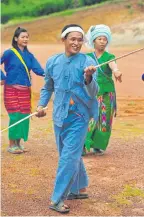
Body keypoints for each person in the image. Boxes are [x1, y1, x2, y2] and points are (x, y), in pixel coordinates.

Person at [36, 24, 99, 213]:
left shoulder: (87, 61)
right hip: (59, 116)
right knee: (68, 154)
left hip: (79, 116)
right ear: (63, 40)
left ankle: (57, 198)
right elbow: (48, 86)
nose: (77, 43)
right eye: (73, 39)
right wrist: (41, 105)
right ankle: (78, 187)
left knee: (68, 158)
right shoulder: (53, 61)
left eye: (80, 40)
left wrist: (89, 77)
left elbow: (94, 91)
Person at [0, 27, 44, 154]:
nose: (25, 39)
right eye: (22, 37)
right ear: (16, 39)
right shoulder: (9, 53)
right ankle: (11, 144)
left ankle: (19, 144)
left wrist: (50, 74)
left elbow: (38, 70)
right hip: (11, 89)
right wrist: (2, 77)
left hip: (25, 90)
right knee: (15, 115)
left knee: (24, 116)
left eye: (27, 37)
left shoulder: (29, 56)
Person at [83, 24, 122, 156]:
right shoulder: (87, 57)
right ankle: (82, 144)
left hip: (106, 93)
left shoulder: (109, 56)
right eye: (99, 39)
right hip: (91, 92)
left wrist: (116, 71)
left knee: (104, 120)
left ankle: (98, 145)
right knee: (90, 118)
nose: (102, 41)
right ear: (93, 40)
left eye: (105, 39)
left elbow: (113, 65)